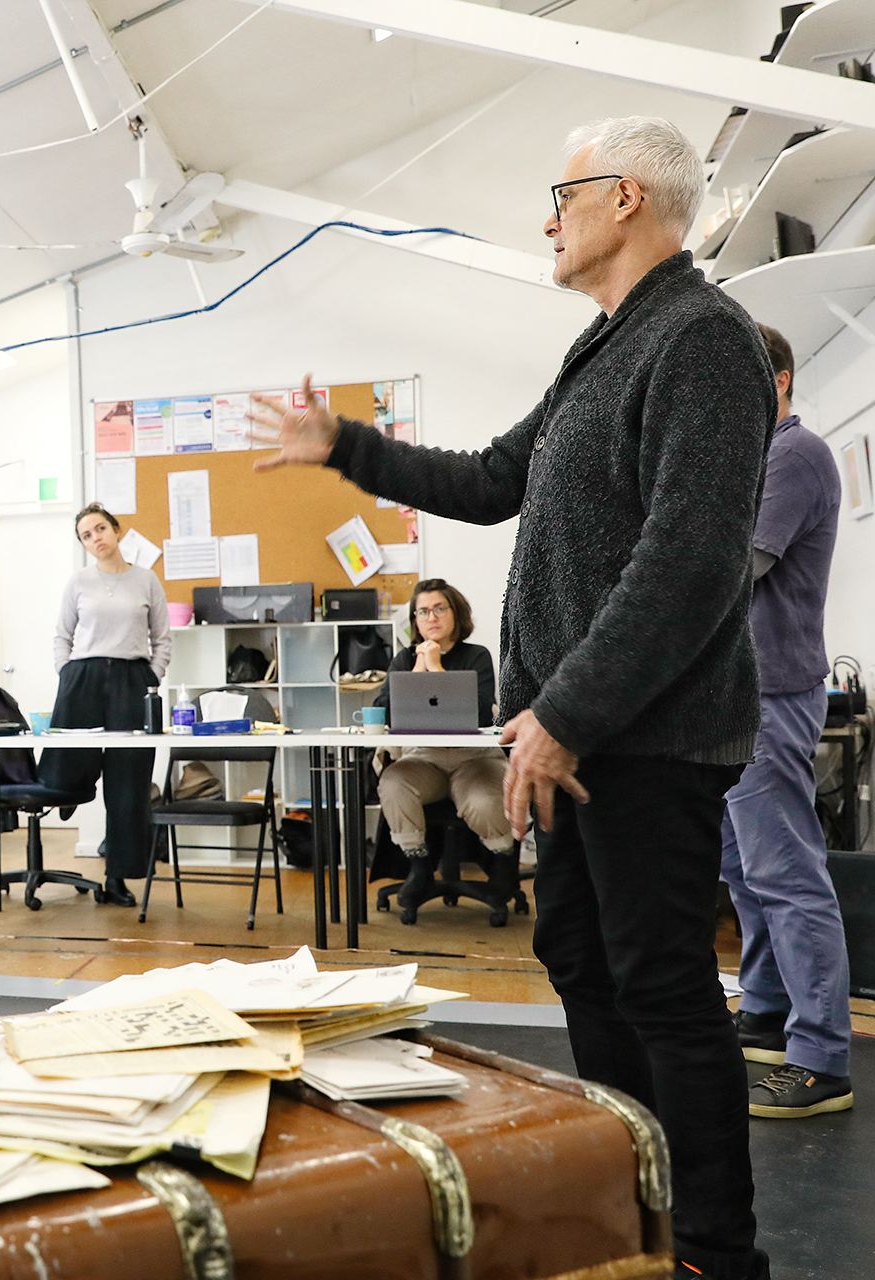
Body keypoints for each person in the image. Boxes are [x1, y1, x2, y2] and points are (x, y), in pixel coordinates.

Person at [252, 117, 775, 1280]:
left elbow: (690, 563)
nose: (548, 219)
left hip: (646, 738)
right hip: (576, 737)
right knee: (585, 960)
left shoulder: (700, 338)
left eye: (562, 194)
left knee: (663, 988)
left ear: (625, 197)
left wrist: (565, 713)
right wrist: (345, 445)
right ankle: (631, 1202)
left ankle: (711, 1250)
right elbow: (493, 479)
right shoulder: (607, 347)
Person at [723, 322, 852, 1120]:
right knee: (744, 872)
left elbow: (735, 566)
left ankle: (821, 1057)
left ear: (778, 381)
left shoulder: (793, 455)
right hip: (735, 694)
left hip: (771, 691)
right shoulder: (753, 458)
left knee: (788, 876)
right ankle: (769, 1012)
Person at [41, 503, 171, 907]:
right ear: (83, 544)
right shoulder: (78, 582)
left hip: (132, 681)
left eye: (100, 529)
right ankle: (72, 795)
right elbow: (62, 635)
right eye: (86, 535)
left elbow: (162, 638)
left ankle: (117, 877)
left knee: (128, 783)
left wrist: (151, 677)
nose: (95, 537)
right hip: (83, 678)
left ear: (116, 531)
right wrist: (66, 673)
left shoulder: (146, 580)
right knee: (64, 764)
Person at [373, 580, 509, 909]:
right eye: (422, 612)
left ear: (455, 613)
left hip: (474, 759)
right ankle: (419, 868)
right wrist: (418, 668)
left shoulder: (476, 656)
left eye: (439, 609)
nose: (430, 617)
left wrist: (436, 667)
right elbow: (384, 712)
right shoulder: (405, 659)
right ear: (414, 620)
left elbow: (481, 713)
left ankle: (503, 866)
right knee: (393, 783)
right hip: (425, 760)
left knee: (484, 800)